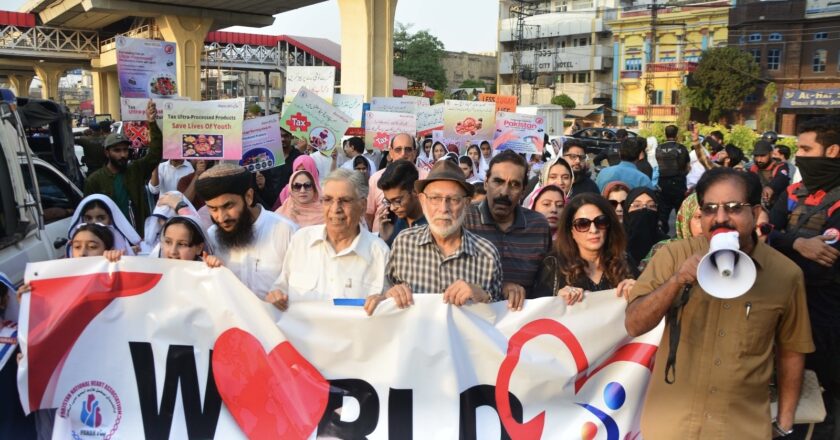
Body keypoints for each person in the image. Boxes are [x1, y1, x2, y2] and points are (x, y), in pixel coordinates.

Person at [769, 116, 840, 439]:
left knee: (826, 394)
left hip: (826, 314)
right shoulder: (794, 192)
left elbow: (826, 260)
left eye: (806, 149)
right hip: (785, 305)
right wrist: (798, 243)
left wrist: (783, 241)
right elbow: (764, 233)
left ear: (833, 151)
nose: (799, 156)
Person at [364, 160, 508, 315]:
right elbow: (387, 295)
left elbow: (500, 318)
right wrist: (387, 296)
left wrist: (483, 297)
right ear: (423, 200)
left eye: (454, 199)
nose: (443, 208)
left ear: (466, 203)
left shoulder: (487, 255)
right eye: (435, 198)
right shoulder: (403, 244)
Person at [266, 169, 389, 310]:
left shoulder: (379, 253)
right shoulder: (301, 241)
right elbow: (281, 287)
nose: (335, 209)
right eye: (328, 200)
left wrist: (385, 301)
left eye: (345, 201)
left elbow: (389, 306)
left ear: (362, 205)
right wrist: (276, 296)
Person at [196, 163, 296, 299]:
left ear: (248, 196)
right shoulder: (212, 235)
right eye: (213, 209)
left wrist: (282, 294)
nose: (221, 217)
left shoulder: (285, 230)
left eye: (228, 206)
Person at [465, 150, 551, 302]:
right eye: (498, 182)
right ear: (486, 183)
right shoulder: (465, 219)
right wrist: (498, 288)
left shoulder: (539, 226)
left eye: (514, 185)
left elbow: (547, 284)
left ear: (523, 191)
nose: (504, 192)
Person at [533, 193, 637, 301]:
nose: (593, 230)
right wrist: (557, 299)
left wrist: (637, 289)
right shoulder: (553, 265)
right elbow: (539, 308)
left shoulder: (624, 261)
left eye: (601, 221)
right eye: (582, 224)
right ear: (571, 231)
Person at [84, 100, 160, 234]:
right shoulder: (95, 180)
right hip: (111, 238)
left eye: (125, 150)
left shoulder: (136, 170)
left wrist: (152, 123)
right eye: (117, 150)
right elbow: (89, 216)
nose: (123, 154)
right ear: (107, 153)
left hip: (138, 237)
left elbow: (156, 153)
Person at [366, 134, 425, 233]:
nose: (403, 154)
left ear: (415, 153)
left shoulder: (426, 177)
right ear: (391, 152)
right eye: (398, 149)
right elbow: (369, 214)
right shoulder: (375, 178)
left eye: (408, 149)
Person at [639, 193, 702, 272]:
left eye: (713, 217)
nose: (706, 223)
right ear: (686, 219)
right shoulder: (665, 251)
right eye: (699, 217)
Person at [67, 194, 141, 256]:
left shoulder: (119, 241)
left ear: (111, 219)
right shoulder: (76, 239)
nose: (94, 222)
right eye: (88, 218)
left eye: (101, 218)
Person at [376, 160, 426, 247]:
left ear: (415, 191)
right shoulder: (392, 222)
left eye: (397, 201)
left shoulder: (433, 222)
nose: (392, 208)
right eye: (388, 201)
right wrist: (385, 239)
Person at [656, 125, 691, 234]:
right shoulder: (682, 148)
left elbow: (657, 166)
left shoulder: (658, 148)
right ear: (676, 134)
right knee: (680, 212)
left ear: (665, 134)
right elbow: (688, 167)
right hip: (679, 183)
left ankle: (662, 234)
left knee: (663, 213)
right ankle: (681, 234)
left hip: (663, 184)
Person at [623, 187, 668, 267]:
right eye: (637, 205)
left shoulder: (667, 245)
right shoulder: (615, 245)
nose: (644, 209)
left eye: (651, 206)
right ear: (627, 210)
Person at [748, 140, 789, 209]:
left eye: (763, 156)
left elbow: (781, 178)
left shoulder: (780, 166)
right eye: (756, 156)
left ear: (771, 154)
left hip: (777, 206)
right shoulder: (753, 168)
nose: (759, 160)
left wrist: (771, 187)